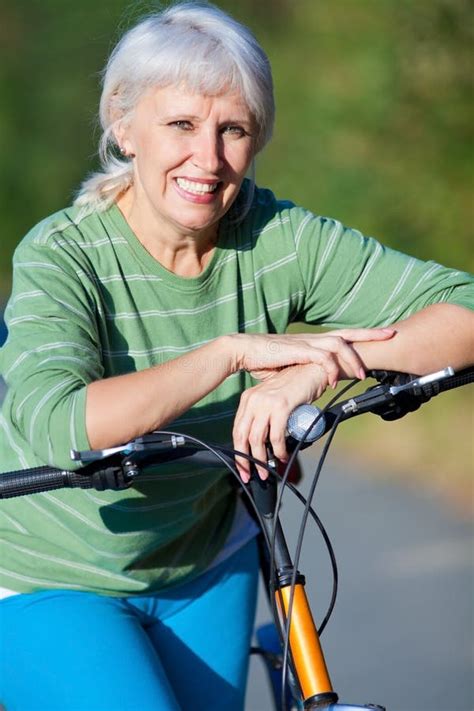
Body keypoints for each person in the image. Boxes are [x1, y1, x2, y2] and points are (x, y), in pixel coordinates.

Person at [0, 3, 472, 710]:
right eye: (181, 125)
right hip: (48, 574)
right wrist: (227, 353)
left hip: (206, 562)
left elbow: (461, 310)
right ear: (123, 126)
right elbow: (57, 421)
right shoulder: (63, 252)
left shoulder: (277, 237)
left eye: (234, 130)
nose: (209, 158)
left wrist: (317, 366)